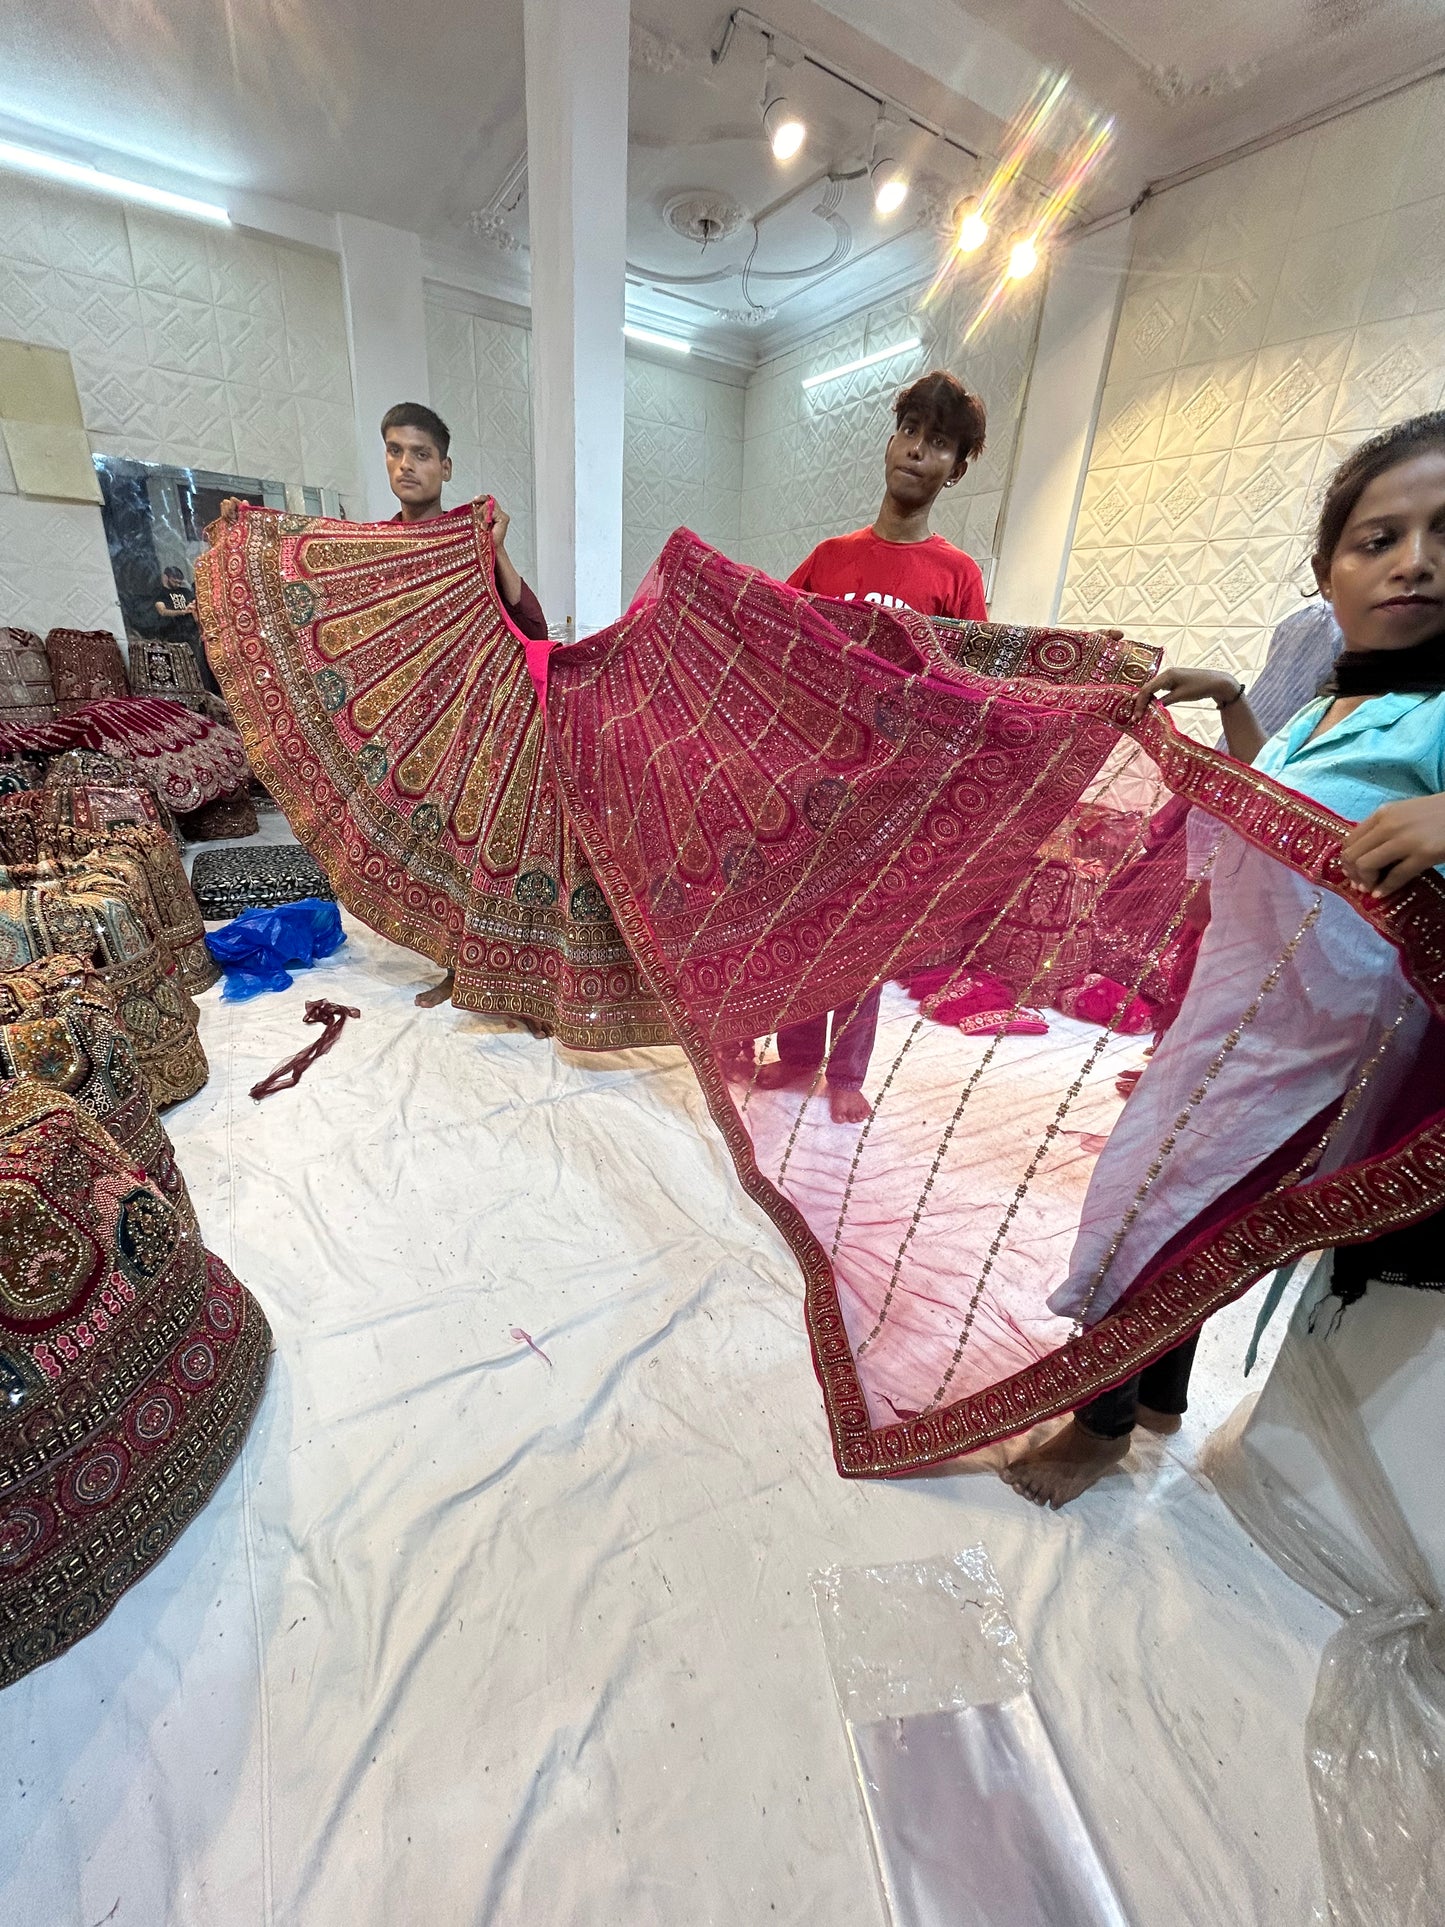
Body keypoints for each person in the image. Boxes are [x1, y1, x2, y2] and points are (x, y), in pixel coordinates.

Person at [1003, 410, 1445, 1509]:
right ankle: (1158, 1394)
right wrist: (1238, 706)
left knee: (1142, 1206)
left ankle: (1098, 1422)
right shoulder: (1332, 705)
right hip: (1231, 999)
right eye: (1377, 539)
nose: (1416, 561)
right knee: (1193, 1207)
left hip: (1318, 1035)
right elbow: (1281, 807)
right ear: (1325, 573)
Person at [753, 369, 990, 1123]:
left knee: (860, 933)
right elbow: (772, 635)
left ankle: (847, 1072)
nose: (918, 452)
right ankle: (794, 1058)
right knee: (799, 921)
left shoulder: (955, 575)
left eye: (940, 444)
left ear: (956, 469)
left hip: (893, 790)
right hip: (816, 777)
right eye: (911, 432)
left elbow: (975, 683)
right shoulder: (829, 558)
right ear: (890, 443)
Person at [373, 403, 551, 1007]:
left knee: (473, 838)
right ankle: (451, 954)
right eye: (395, 451)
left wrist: (495, 548)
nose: (406, 465)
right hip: (406, 718)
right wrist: (249, 533)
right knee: (424, 839)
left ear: (445, 467)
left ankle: (482, 967)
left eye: (420, 454)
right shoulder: (376, 548)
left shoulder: (468, 542)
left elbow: (532, 624)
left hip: (475, 717)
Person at [153, 564, 218, 694]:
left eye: (179, 580)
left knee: (200, 664)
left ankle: (207, 692)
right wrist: (182, 612)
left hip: (191, 633)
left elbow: (197, 608)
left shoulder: (186, 592)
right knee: (182, 666)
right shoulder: (160, 594)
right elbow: (162, 611)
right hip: (173, 635)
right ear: (166, 578)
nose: (177, 583)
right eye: (174, 580)